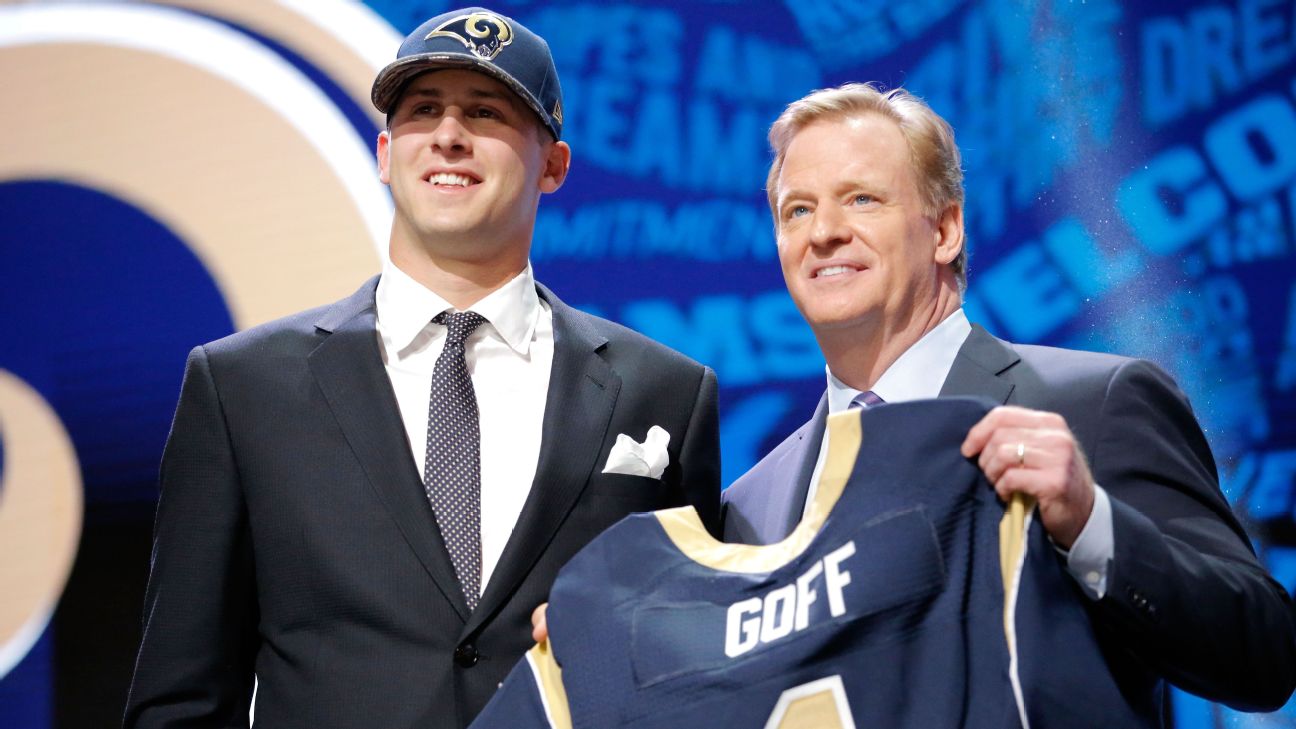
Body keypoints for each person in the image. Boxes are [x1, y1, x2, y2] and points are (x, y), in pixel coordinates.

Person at [123, 8, 720, 729]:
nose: (448, 135)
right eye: (423, 110)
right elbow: (182, 698)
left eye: (485, 112)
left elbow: (700, 680)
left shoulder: (664, 393)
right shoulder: (242, 386)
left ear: (554, 165)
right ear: (385, 153)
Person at [721, 82, 1296, 720]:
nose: (824, 232)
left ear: (945, 230)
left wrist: (1090, 523)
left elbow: (1264, 653)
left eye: (862, 199)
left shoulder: (1095, 405)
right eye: (797, 210)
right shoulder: (750, 506)